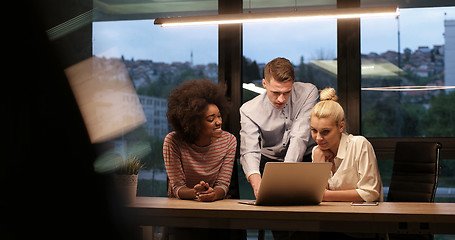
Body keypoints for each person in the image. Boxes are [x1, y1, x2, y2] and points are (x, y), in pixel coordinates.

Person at [239, 57, 319, 198]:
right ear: (264, 83)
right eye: (276, 93)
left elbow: (299, 136)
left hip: (303, 158)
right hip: (268, 162)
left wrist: (284, 177)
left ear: (293, 84)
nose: (281, 99)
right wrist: (256, 182)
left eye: (286, 92)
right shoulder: (248, 110)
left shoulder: (308, 92)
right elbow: (249, 150)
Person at [311, 88, 383, 239]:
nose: (318, 138)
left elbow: (370, 193)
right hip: (328, 226)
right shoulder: (317, 151)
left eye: (325, 132)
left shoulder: (359, 144)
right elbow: (317, 196)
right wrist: (318, 161)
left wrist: (326, 195)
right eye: (314, 131)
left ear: (341, 127)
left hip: (361, 228)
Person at [163, 79, 236, 202]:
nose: (219, 122)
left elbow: (223, 184)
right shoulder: (173, 142)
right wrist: (196, 192)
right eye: (210, 119)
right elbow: (177, 188)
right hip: (179, 206)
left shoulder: (229, 141)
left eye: (219, 116)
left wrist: (213, 194)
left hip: (213, 205)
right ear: (193, 123)